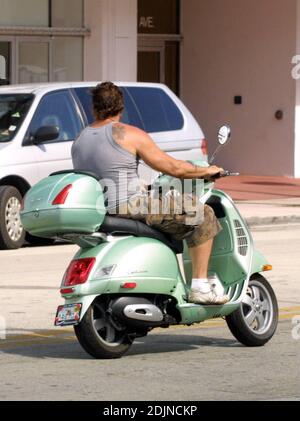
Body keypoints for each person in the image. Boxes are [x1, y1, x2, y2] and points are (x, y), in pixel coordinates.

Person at [72, 82, 229, 305]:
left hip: (101, 208)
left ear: (93, 108)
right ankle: (200, 287)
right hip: (130, 206)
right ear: (121, 108)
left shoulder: (80, 139)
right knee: (202, 213)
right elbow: (174, 168)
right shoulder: (127, 133)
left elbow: (109, 173)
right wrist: (207, 171)